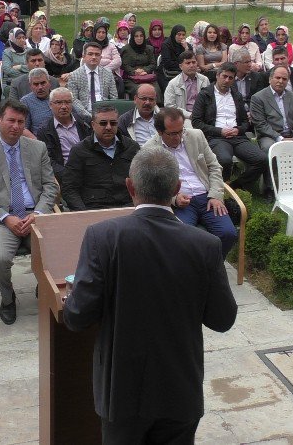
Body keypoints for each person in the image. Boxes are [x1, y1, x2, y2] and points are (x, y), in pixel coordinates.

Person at [63, 142, 237, 443]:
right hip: (179, 391)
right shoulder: (205, 245)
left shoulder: (102, 237)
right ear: (177, 188)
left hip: (122, 393)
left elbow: (77, 317)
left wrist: (72, 297)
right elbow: (222, 319)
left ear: (130, 187)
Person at [0, 101, 59, 324]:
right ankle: (7, 296)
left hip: (34, 215)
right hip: (1, 217)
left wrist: (38, 212)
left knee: (59, 249)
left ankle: (44, 285)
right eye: (11, 120)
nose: (16, 126)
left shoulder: (37, 148)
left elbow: (51, 186)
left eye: (21, 122)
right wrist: (5, 218)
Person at [144, 107, 239, 258]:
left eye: (181, 131)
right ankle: (192, 274)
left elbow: (214, 166)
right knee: (182, 241)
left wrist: (215, 195)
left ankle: (212, 269)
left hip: (207, 196)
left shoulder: (196, 136)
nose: (178, 136)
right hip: (181, 203)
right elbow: (152, 187)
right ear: (160, 132)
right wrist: (174, 199)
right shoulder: (150, 150)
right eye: (172, 133)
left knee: (228, 234)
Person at [191, 64, 266, 193]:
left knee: (262, 159)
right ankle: (221, 189)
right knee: (225, 160)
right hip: (217, 137)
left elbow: (244, 122)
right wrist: (219, 131)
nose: (227, 80)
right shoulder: (205, 95)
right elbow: (196, 122)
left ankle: (235, 186)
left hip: (237, 136)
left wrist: (238, 130)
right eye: (224, 76)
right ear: (217, 75)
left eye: (230, 78)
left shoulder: (236, 96)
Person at [63, 104, 140, 211]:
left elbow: (141, 183)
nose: (108, 127)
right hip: (93, 210)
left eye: (113, 123)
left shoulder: (132, 147)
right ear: (93, 125)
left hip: (128, 208)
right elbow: (69, 188)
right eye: (103, 123)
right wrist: (83, 214)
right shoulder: (79, 151)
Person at [38, 87, 91, 185]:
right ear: (50, 105)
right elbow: (48, 161)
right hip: (65, 177)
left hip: (90, 171)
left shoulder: (86, 123)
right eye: (59, 103)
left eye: (67, 102)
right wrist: (68, 175)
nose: (64, 106)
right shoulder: (44, 130)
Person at [66, 42, 118, 123]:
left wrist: (105, 114)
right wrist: (88, 116)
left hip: (105, 112)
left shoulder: (108, 73)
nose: (94, 57)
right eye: (90, 54)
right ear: (83, 56)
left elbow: (114, 97)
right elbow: (74, 100)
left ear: (101, 57)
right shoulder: (74, 75)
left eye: (97, 54)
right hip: (84, 115)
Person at [164, 51, 209, 122]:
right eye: (188, 63)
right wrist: (190, 115)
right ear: (180, 66)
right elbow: (170, 106)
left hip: (204, 116)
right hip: (184, 118)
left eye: (194, 62)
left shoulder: (204, 80)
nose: (192, 65)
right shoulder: (173, 83)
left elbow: (210, 101)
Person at [120, 26, 159, 100]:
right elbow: (125, 65)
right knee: (138, 90)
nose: (139, 38)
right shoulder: (126, 49)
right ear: (132, 37)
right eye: (136, 36)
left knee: (155, 89)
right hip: (131, 78)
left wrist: (144, 70)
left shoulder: (148, 49)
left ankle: (156, 108)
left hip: (147, 76)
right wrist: (135, 72)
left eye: (141, 36)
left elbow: (153, 64)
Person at [19, 67, 55, 137]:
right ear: (30, 86)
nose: (40, 87)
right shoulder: (25, 101)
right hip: (40, 140)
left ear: (49, 82)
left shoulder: (59, 97)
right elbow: (23, 128)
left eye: (43, 83)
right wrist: (38, 144)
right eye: (36, 84)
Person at [233, 49, 269, 115]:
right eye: (246, 62)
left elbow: (259, 99)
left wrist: (252, 112)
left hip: (253, 112)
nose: (250, 65)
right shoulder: (229, 78)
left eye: (250, 61)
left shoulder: (256, 77)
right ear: (236, 64)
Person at [159, 24, 191, 92]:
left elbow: (191, 60)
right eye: (179, 34)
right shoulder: (166, 45)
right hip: (167, 74)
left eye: (183, 35)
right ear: (174, 35)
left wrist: (186, 49)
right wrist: (184, 65)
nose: (181, 37)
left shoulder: (187, 46)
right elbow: (168, 64)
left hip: (183, 72)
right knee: (171, 89)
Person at [2, 27, 28, 93]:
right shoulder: (7, 52)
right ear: (12, 39)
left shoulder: (29, 51)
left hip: (30, 81)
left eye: (23, 37)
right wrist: (26, 75)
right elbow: (7, 70)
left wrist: (20, 67)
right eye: (19, 38)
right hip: (11, 82)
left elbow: (34, 67)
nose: (22, 40)